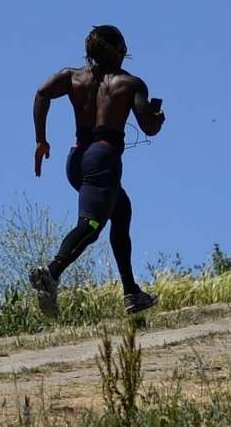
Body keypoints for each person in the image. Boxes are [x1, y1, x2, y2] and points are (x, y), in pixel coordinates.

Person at [27, 24, 165, 320]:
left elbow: (41, 93)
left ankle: (132, 292)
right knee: (90, 226)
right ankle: (50, 273)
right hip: (103, 158)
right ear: (122, 51)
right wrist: (159, 117)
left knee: (121, 210)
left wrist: (41, 139)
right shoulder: (130, 84)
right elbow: (149, 127)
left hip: (77, 158)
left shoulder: (73, 77)